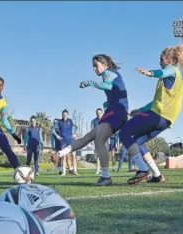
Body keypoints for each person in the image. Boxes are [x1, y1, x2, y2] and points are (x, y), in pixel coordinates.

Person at [119, 44, 183, 184]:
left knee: (124, 132)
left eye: (161, 59)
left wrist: (149, 73)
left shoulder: (172, 70)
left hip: (158, 115)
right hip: (166, 120)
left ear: (169, 60)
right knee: (138, 142)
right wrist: (140, 111)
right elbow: (156, 102)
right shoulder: (176, 79)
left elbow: (162, 72)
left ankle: (142, 170)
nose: (159, 62)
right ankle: (157, 175)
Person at [51, 54, 129, 186]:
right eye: (93, 66)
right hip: (112, 112)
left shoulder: (107, 73)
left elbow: (108, 86)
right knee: (88, 137)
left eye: (95, 65)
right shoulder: (111, 73)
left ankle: (107, 176)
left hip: (117, 112)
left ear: (104, 64)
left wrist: (89, 83)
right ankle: (60, 153)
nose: (94, 69)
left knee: (99, 139)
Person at [52, 109, 77, 176]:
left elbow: (76, 127)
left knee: (74, 155)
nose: (64, 116)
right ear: (62, 115)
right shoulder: (59, 121)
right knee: (64, 156)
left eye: (65, 115)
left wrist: (74, 134)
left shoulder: (70, 121)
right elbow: (53, 129)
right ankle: (63, 172)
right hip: (63, 141)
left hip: (71, 141)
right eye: (63, 115)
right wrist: (57, 136)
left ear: (67, 115)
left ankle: (75, 171)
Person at [91, 108, 103, 175]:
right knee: (98, 155)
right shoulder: (93, 121)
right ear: (96, 113)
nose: (98, 114)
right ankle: (98, 169)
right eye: (97, 113)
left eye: (99, 113)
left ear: (101, 113)